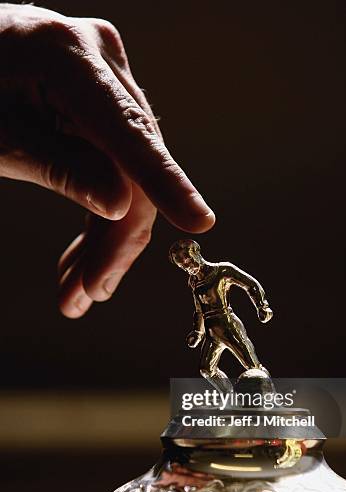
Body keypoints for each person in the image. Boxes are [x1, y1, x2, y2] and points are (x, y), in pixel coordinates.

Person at [0, 4, 215, 318]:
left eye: (185, 259)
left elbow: (247, 286)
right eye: (183, 259)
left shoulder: (215, 274)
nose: (187, 263)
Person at [169, 239, 273, 392]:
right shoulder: (193, 281)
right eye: (183, 265)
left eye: (188, 260)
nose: (187, 266)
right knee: (206, 369)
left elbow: (250, 284)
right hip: (211, 331)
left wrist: (262, 306)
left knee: (253, 367)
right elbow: (199, 309)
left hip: (228, 325)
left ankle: (269, 397)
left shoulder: (222, 270)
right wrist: (198, 332)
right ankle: (230, 398)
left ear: (196, 254)